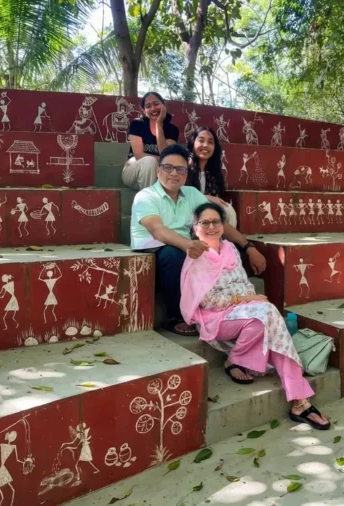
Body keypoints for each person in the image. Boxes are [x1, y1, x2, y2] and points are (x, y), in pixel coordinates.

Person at [181, 203, 330, 430]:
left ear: (223, 225)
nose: (211, 227)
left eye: (216, 222)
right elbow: (209, 301)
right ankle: (295, 395)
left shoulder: (230, 248)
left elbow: (245, 284)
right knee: (267, 313)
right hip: (215, 318)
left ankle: (297, 397)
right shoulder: (197, 256)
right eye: (205, 223)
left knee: (265, 317)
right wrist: (246, 301)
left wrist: (251, 298)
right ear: (195, 227)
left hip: (243, 312)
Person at [132, 144, 266, 336]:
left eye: (180, 169)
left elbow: (218, 222)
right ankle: (178, 316)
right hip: (154, 253)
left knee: (217, 246)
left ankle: (221, 305)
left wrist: (248, 247)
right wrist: (187, 244)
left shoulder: (191, 194)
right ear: (158, 169)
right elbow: (157, 230)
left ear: (186, 173)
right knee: (174, 254)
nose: (174, 174)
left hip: (183, 249)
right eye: (168, 167)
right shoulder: (145, 196)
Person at [122, 92, 180, 190]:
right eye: (148, 106)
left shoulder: (172, 129)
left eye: (156, 104)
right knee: (150, 162)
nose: (153, 108)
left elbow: (165, 154)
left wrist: (158, 124)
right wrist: (161, 160)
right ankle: (148, 203)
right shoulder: (137, 124)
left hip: (159, 175)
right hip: (134, 172)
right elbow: (139, 155)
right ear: (144, 111)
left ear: (163, 105)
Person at [186, 127, 237, 227]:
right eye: (201, 140)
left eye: (210, 142)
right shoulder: (185, 167)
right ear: (193, 143)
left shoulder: (214, 173)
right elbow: (179, 196)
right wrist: (205, 197)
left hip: (207, 212)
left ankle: (226, 242)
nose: (205, 145)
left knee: (227, 209)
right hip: (186, 211)